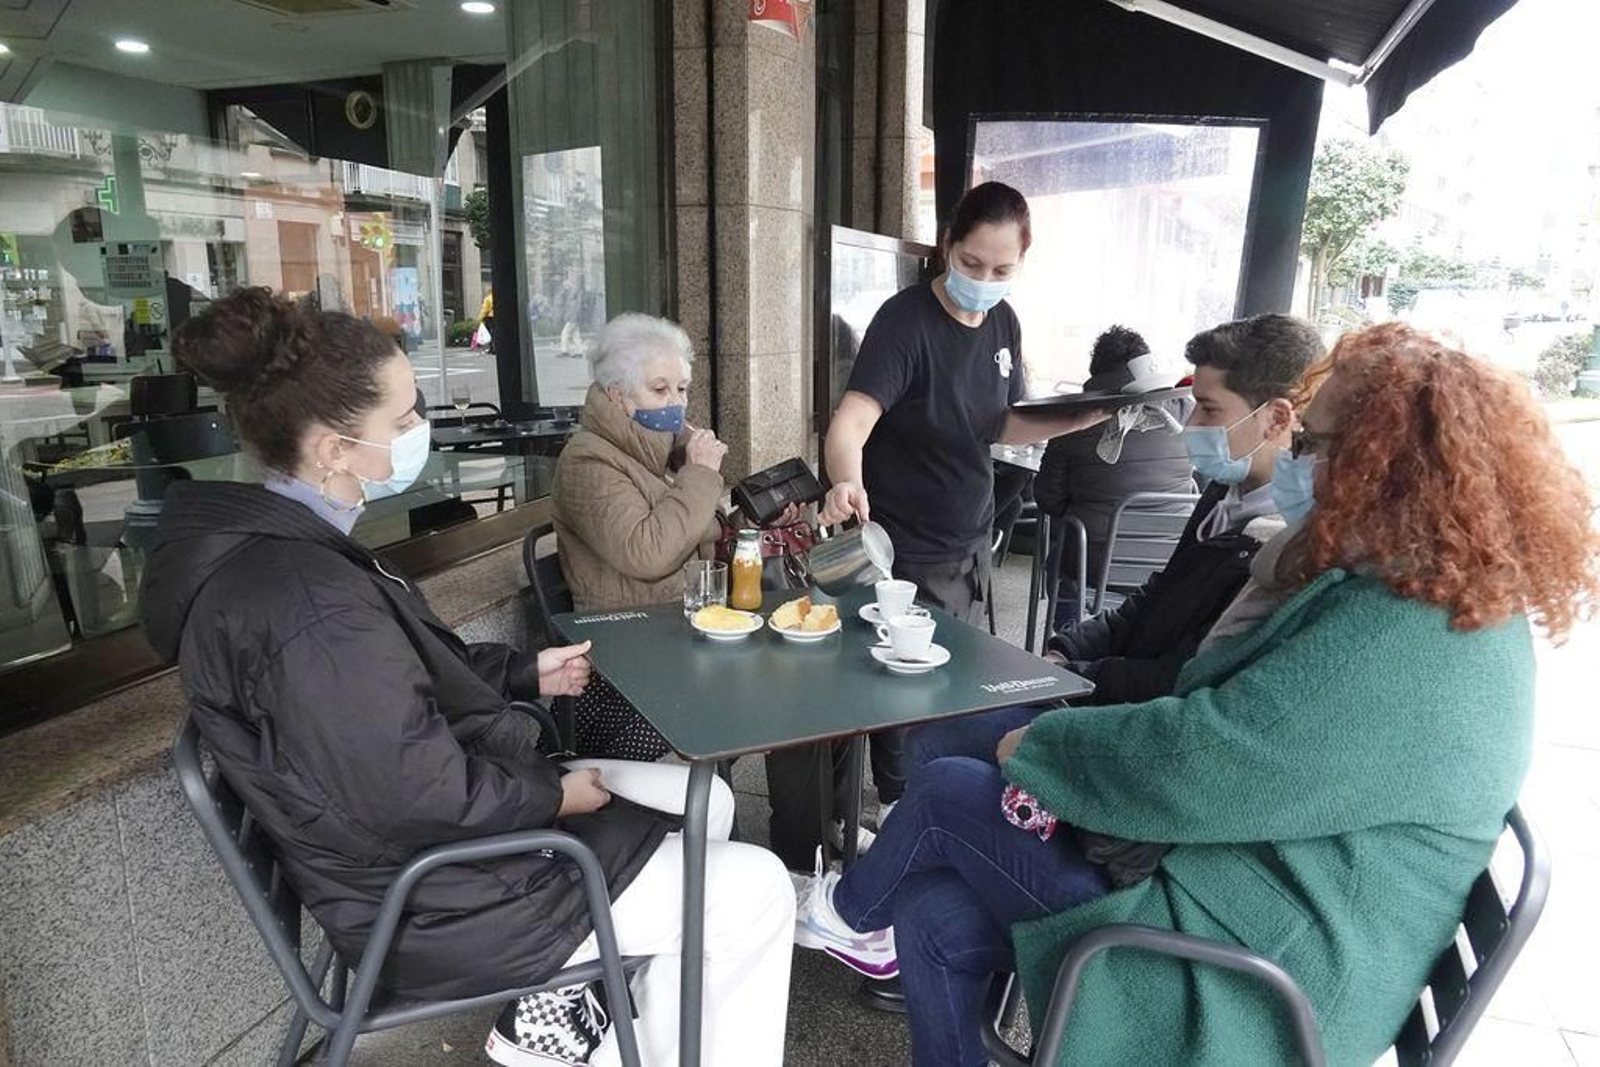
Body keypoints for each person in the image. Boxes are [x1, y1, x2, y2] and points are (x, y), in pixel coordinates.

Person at [793, 322, 1600, 1066]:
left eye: (1314, 443)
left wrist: (1043, 746)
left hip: (1256, 981)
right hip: (1248, 898)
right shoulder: (1428, 593)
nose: (1297, 455)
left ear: (1384, 464)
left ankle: (845, 916)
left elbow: (1204, 760)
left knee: (946, 789)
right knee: (933, 914)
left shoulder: (1406, 629)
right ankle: (865, 918)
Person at [139, 289, 794, 1067]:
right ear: (334, 449)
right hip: (438, 900)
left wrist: (521, 670)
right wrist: (554, 796)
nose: (420, 429)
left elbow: (396, 688)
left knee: (709, 800)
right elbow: (414, 790)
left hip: (443, 848)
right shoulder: (305, 603)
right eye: (401, 420)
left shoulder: (297, 558)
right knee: (757, 888)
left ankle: (593, 1021)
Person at [906, 313, 1325, 776]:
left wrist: (1075, 676)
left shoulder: (1284, 546)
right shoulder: (1222, 492)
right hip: (1118, 673)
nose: (1190, 426)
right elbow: (1158, 595)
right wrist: (1066, 651)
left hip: (1145, 733)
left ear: (1277, 417)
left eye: (1208, 410)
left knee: (940, 748)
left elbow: (1183, 675)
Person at [818, 181, 1109, 815]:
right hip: (906, 541)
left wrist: (1082, 417)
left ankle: (912, 793)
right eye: (972, 263)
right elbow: (852, 422)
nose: (983, 281)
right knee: (902, 686)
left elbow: (999, 423)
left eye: (1002, 270)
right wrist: (846, 478)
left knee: (943, 681)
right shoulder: (905, 321)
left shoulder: (1003, 320)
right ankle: (894, 804)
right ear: (948, 244)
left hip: (969, 536)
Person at [552, 312, 868, 864]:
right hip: (632, 664)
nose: (676, 402)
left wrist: (784, 519)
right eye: (659, 389)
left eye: (681, 388)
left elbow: (700, 532)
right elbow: (648, 552)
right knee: (798, 698)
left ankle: (818, 837)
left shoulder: (654, 450)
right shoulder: (588, 462)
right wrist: (699, 474)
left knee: (818, 686)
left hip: (689, 636)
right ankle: (799, 856)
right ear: (617, 395)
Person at [1032, 325, 1196, 629]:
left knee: (1058, 559)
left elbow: (1048, 500)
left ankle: (1068, 636)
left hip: (1092, 562)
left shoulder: (1073, 423)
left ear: (1096, 372)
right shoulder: (1187, 414)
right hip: (1168, 560)